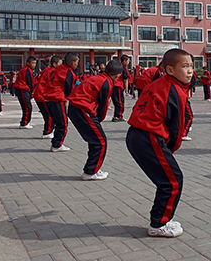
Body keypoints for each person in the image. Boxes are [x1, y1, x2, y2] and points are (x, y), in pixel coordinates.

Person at [126, 49, 193, 238]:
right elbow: (177, 127)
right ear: (170, 70)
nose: (190, 71)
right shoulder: (175, 91)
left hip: (137, 135)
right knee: (172, 180)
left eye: (191, 66)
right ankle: (159, 223)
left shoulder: (159, 83)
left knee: (167, 179)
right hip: (149, 137)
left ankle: (162, 218)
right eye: (184, 66)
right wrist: (170, 150)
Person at [67, 59, 123, 180]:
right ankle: (90, 172)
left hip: (76, 107)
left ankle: (93, 169)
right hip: (82, 109)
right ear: (117, 75)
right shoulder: (106, 83)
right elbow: (103, 106)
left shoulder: (100, 77)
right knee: (100, 141)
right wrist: (98, 120)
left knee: (95, 140)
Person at [44, 53, 79, 152]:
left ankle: (55, 143)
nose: (77, 65)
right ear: (72, 63)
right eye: (77, 62)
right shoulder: (69, 72)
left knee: (58, 122)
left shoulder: (59, 69)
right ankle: (57, 145)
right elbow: (69, 89)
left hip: (48, 98)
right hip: (57, 99)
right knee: (63, 123)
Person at [33, 59, 57, 139]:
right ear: (54, 63)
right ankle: (47, 132)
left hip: (41, 94)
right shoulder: (51, 71)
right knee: (49, 115)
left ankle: (49, 130)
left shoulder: (47, 71)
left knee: (49, 114)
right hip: (43, 95)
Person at [13, 56, 37, 129]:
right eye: (33, 63)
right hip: (22, 89)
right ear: (28, 63)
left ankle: (25, 122)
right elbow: (30, 82)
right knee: (27, 107)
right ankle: (24, 123)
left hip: (22, 89)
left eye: (35, 63)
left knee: (26, 107)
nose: (34, 65)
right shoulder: (27, 70)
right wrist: (32, 92)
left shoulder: (27, 69)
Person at [112, 55, 130, 122]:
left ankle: (116, 116)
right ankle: (118, 116)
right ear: (124, 61)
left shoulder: (117, 66)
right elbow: (125, 79)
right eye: (128, 61)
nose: (128, 62)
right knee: (119, 102)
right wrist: (127, 90)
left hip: (113, 85)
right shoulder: (123, 68)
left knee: (116, 101)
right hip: (118, 86)